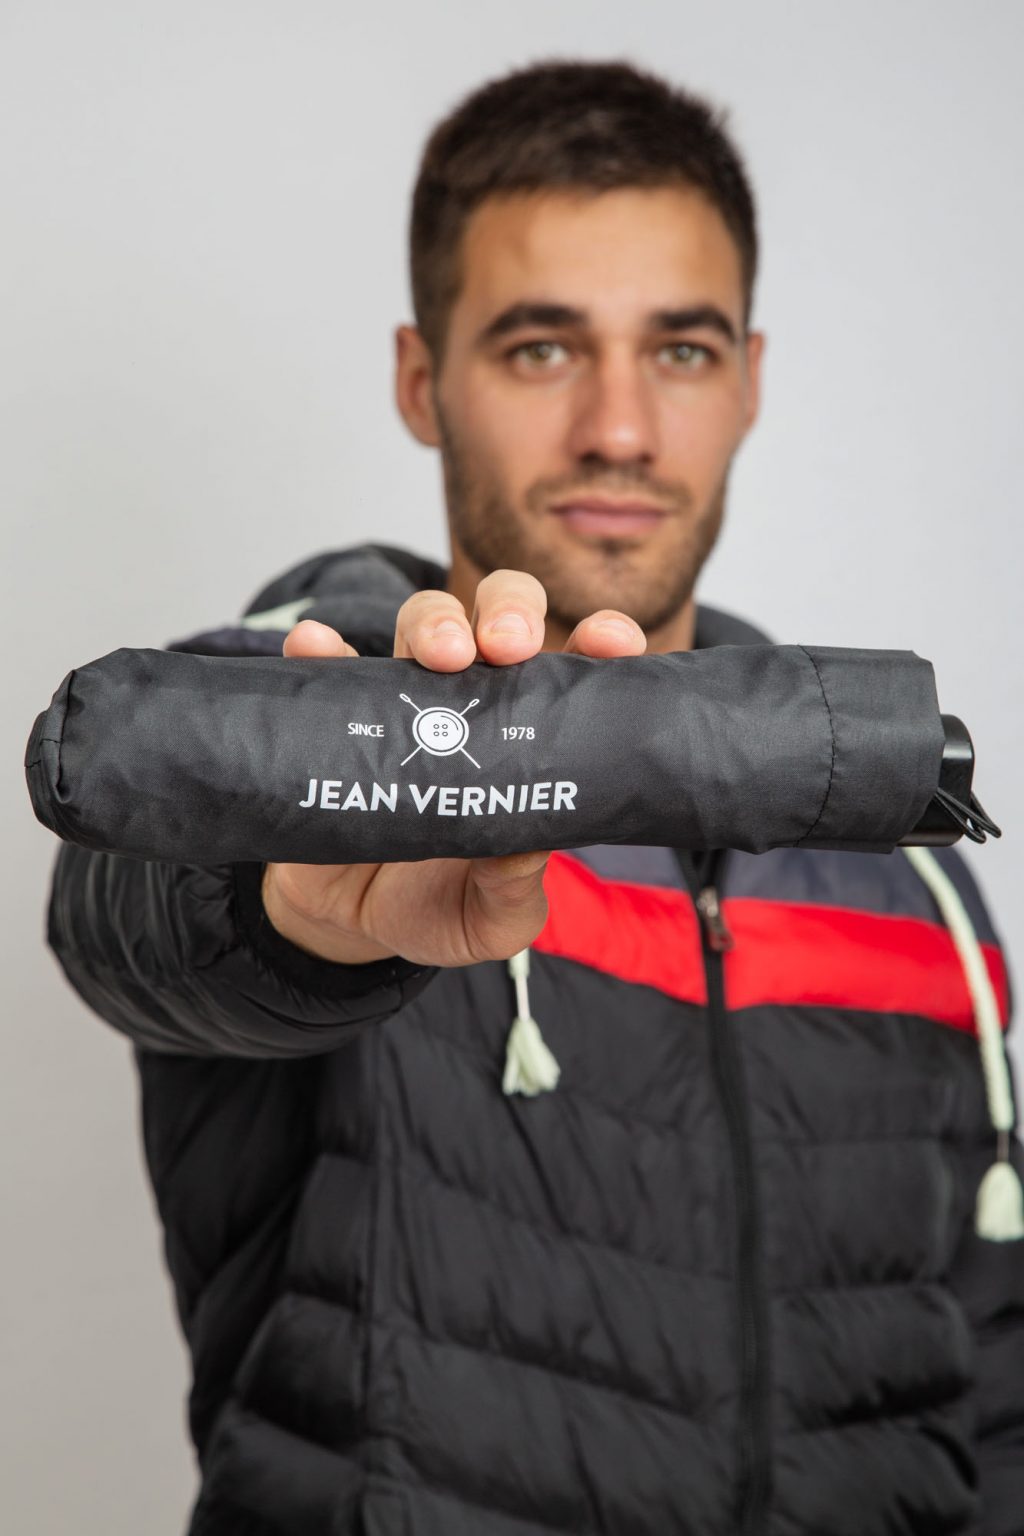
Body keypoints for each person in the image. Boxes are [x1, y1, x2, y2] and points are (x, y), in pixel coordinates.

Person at [45, 58, 1023, 1536]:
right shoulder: (286, 713)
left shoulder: (908, 861)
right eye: (543, 346)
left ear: (750, 380)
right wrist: (297, 913)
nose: (619, 428)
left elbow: (986, 1387)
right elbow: (129, 913)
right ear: (421, 379)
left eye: (680, 349)